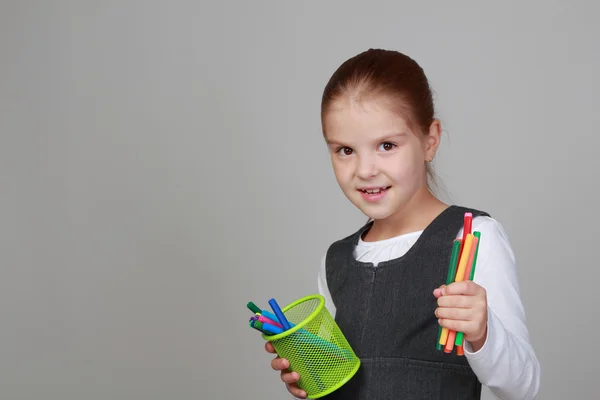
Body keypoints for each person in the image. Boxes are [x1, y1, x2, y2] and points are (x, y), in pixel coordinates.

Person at [265, 48, 540, 399]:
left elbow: (524, 386)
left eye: (386, 145)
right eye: (345, 150)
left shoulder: (473, 237)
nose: (365, 170)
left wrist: (484, 333)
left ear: (430, 140)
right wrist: (312, 377)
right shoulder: (334, 262)